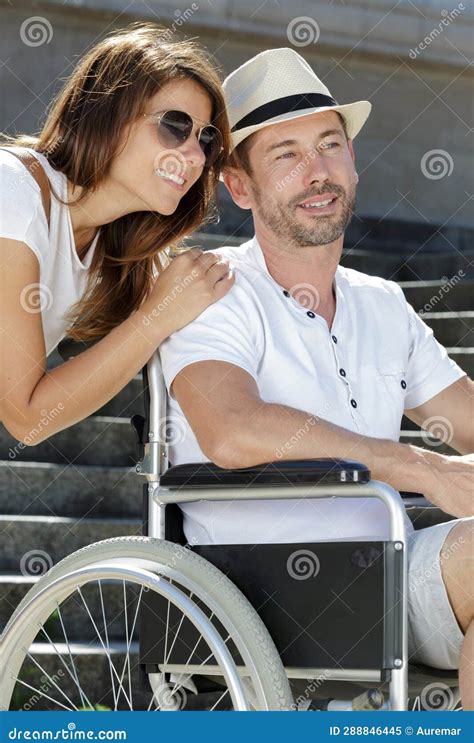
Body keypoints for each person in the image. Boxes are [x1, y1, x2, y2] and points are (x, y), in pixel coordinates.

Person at [158, 49, 474, 705]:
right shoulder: (213, 294)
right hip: (271, 590)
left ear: (353, 162)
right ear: (239, 186)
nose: (318, 171)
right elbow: (231, 431)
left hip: (392, 571)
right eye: (287, 155)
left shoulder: (382, 304)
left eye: (331, 145)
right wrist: (416, 466)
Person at [0, 23, 234, 445]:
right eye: (175, 125)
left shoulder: (118, 250)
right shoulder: (12, 191)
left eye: (206, 139)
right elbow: (27, 417)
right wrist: (157, 316)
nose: (195, 155)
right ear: (106, 115)